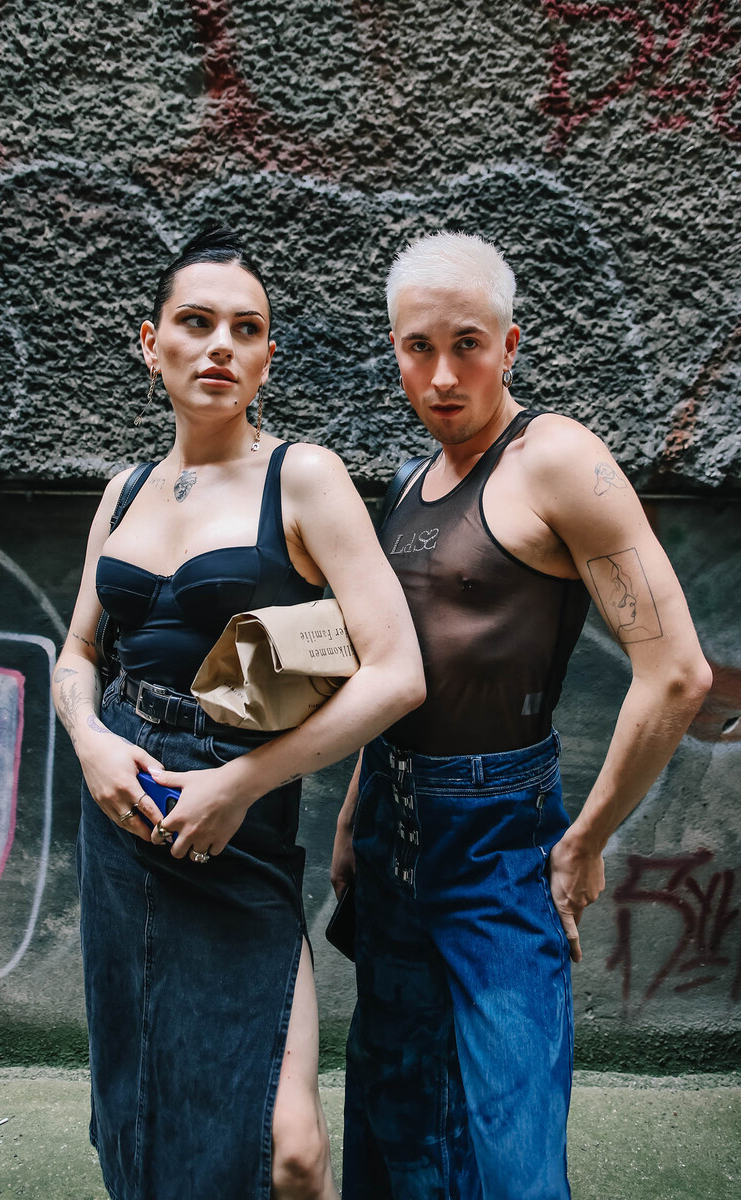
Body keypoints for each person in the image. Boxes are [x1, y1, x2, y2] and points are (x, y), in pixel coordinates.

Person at [331, 231, 712, 1199]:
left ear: (509, 345)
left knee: (512, 1144)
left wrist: (584, 844)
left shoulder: (555, 460)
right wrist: (353, 809)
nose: (442, 374)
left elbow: (675, 673)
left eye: (467, 344)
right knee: (394, 1118)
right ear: (394, 350)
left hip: (497, 835)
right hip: (388, 829)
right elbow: (394, 669)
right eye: (418, 347)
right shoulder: (407, 487)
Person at [51, 224, 425, 1200]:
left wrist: (241, 784)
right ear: (151, 344)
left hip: (236, 815)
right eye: (196, 322)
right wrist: (90, 742)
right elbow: (77, 654)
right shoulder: (124, 490)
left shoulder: (303, 477)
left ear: (266, 355)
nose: (220, 344)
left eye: (245, 328)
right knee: (143, 1094)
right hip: (120, 805)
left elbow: (397, 673)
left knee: (290, 1148)